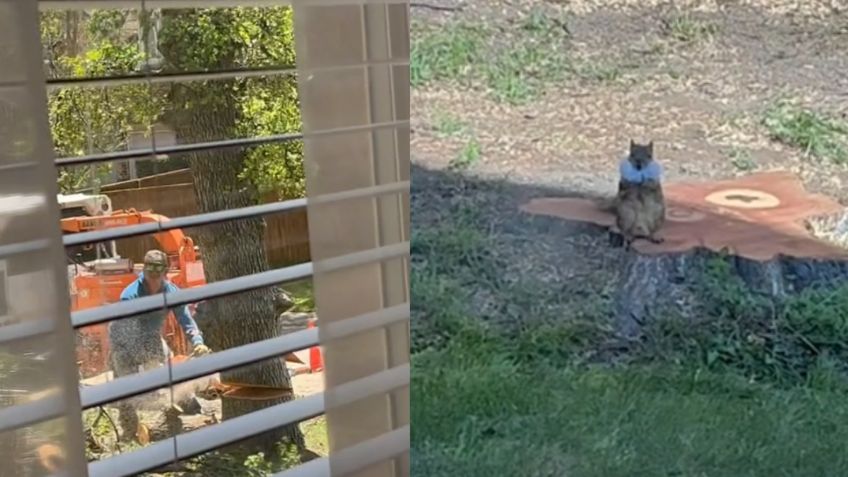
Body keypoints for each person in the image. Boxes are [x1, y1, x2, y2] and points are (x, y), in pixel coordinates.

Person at [108, 249, 211, 441]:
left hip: (152, 338)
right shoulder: (130, 296)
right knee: (126, 391)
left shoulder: (171, 292)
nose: (154, 282)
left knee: (165, 376)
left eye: (158, 277)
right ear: (144, 273)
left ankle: (180, 409)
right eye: (150, 277)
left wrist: (197, 342)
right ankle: (129, 433)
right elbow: (124, 331)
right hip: (124, 344)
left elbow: (186, 319)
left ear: (165, 274)